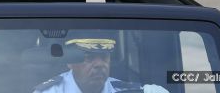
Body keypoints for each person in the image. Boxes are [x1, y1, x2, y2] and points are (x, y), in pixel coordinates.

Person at [33, 35, 169, 93]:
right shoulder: (50, 92)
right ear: (70, 62)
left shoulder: (124, 90)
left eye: (104, 57)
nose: (99, 64)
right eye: (89, 58)